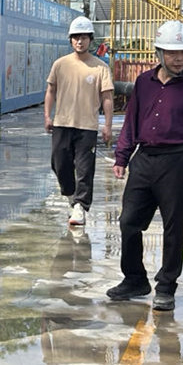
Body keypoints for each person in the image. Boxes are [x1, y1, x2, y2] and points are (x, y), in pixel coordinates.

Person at [106, 19, 183, 313]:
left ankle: (166, 287)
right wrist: (122, 155)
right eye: (172, 53)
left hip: (177, 162)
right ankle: (134, 279)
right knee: (129, 221)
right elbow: (131, 121)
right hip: (143, 160)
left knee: (173, 228)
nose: (179, 59)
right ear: (159, 53)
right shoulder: (144, 82)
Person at [44, 15, 115, 227]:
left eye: (84, 37)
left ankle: (80, 207)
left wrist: (107, 125)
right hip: (62, 123)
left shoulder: (100, 68)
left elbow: (107, 97)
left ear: (90, 40)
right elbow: (51, 91)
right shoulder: (60, 64)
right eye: (76, 37)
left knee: (84, 169)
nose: (79, 41)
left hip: (87, 127)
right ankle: (70, 195)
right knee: (59, 163)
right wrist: (47, 115)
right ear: (70, 40)